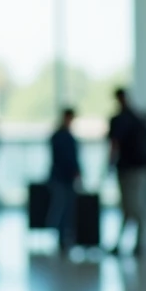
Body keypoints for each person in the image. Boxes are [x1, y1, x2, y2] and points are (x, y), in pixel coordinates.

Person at [107, 88, 146, 257]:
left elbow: (114, 145)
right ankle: (133, 243)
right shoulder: (138, 118)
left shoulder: (119, 120)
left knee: (131, 206)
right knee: (132, 206)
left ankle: (135, 243)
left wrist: (109, 164)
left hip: (127, 169)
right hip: (140, 169)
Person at [48, 107, 82, 254]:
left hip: (62, 177)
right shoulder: (63, 136)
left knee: (65, 207)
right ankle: (62, 236)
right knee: (63, 207)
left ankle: (64, 236)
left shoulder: (58, 135)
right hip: (63, 177)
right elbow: (69, 159)